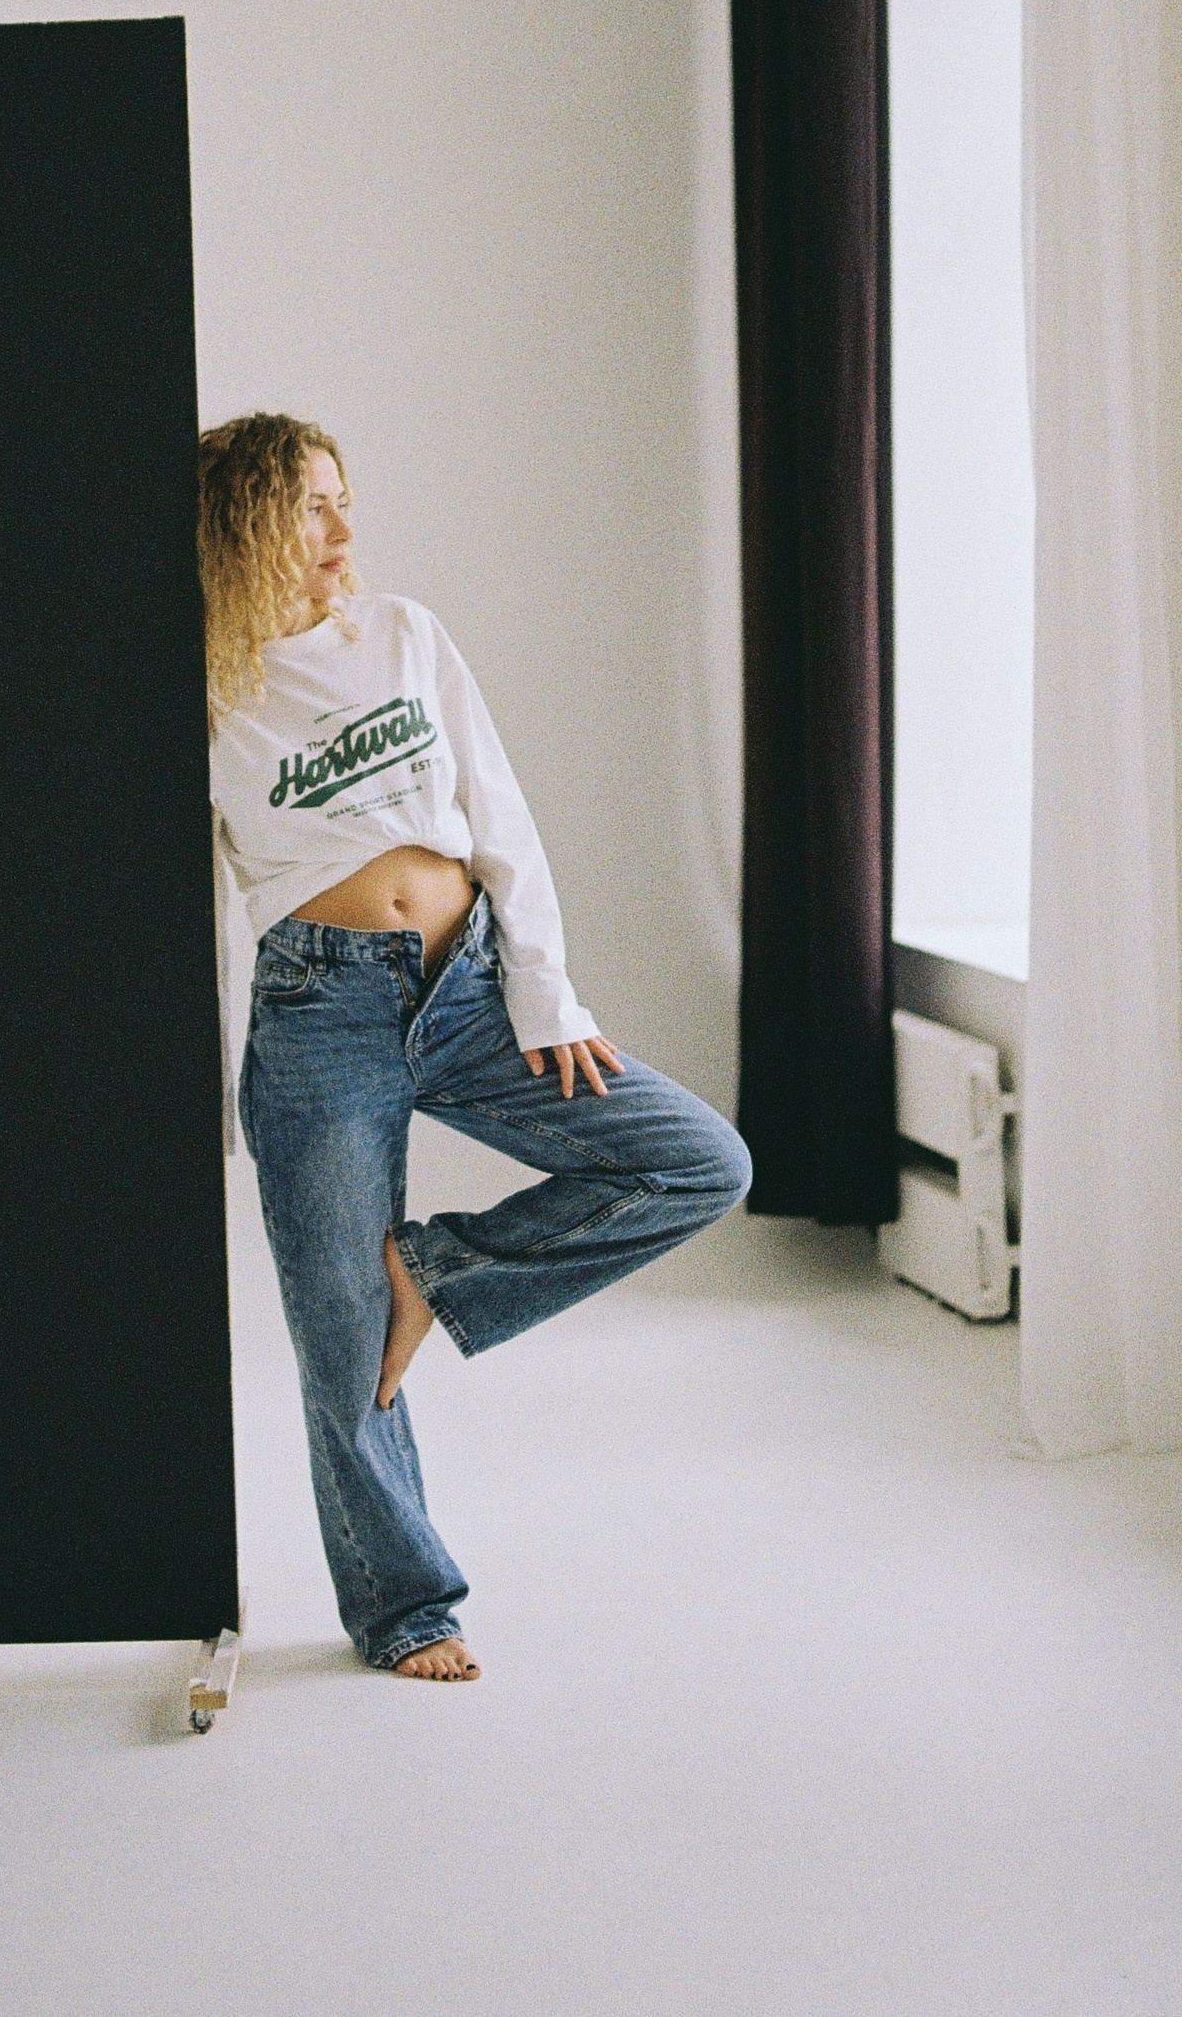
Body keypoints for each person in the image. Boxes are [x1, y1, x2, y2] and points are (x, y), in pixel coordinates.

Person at [201, 411, 752, 1682]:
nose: (343, 527)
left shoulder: (403, 634)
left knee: (697, 1162)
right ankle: (405, 1606)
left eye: (344, 497)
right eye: (310, 504)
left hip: (472, 989)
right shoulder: (211, 687)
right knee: (340, 1339)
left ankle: (436, 1271)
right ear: (244, 523)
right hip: (316, 1016)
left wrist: (548, 994)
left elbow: (501, 815)